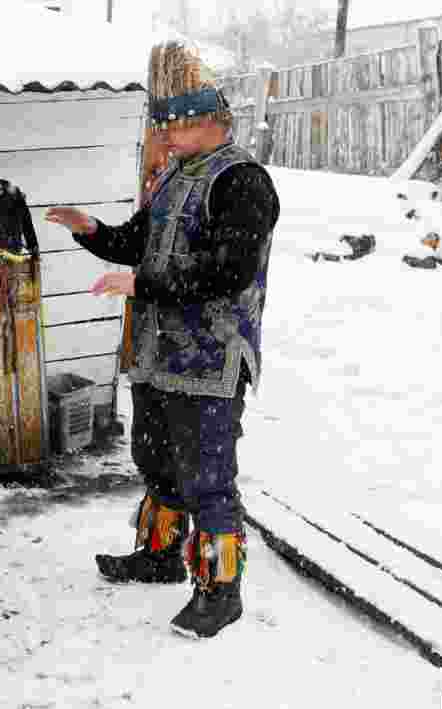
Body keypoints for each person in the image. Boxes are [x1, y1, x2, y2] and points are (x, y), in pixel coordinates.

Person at [46, 40, 280, 639]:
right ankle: (158, 556)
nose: (166, 139)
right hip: (159, 352)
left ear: (211, 124)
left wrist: (141, 281)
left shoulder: (243, 181)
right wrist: (92, 230)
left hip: (210, 355)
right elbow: (137, 243)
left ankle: (219, 589)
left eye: (177, 129)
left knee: (207, 474)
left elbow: (231, 268)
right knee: (155, 459)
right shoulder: (177, 177)